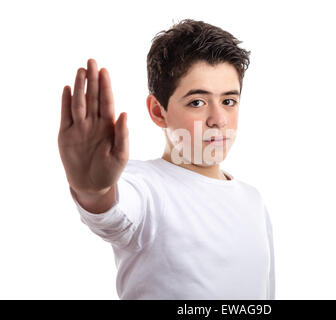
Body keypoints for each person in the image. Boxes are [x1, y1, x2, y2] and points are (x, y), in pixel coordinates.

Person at [57, 18, 275, 300]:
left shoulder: (253, 200)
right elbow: (113, 214)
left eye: (228, 101)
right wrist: (93, 190)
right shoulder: (145, 188)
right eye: (197, 102)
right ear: (158, 112)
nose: (218, 120)